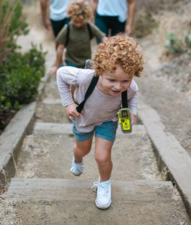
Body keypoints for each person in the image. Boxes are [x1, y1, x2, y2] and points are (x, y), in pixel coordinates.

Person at [56, 35, 144, 210]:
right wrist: (69, 103)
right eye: (111, 80)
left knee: (102, 156)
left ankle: (104, 185)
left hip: (107, 120)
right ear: (100, 70)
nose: (118, 87)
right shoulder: (84, 77)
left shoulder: (131, 87)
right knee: (83, 149)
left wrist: (132, 113)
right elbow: (60, 74)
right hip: (84, 119)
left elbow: (133, 95)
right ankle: (77, 159)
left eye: (125, 81)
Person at [49, 0, 107, 75]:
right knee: (74, 79)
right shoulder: (68, 29)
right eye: (76, 22)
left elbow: (103, 37)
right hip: (71, 62)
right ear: (71, 16)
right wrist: (57, 66)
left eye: (81, 22)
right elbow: (60, 48)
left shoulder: (89, 27)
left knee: (88, 80)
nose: (78, 24)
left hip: (86, 62)